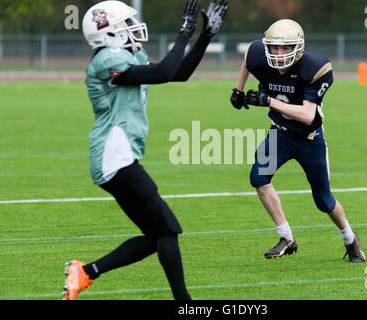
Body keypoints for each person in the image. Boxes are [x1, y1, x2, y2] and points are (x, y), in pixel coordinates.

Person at [63, 0, 228, 300]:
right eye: (125, 24)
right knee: (167, 230)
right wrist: (185, 31)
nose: (133, 28)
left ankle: (85, 273)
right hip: (114, 157)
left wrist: (205, 36)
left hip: (118, 159)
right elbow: (164, 72)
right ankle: (186, 304)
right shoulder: (106, 58)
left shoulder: (127, 53)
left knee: (157, 235)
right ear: (108, 32)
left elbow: (178, 73)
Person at [230, 19, 365, 262]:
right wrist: (238, 90)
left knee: (323, 200)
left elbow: (307, 115)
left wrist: (269, 101)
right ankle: (287, 237)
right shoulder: (257, 53)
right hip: (280, 133)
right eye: (274, 48)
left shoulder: (314, 68)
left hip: (309, 139)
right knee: (258, 177)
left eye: (285, 48)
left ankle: (349, 238)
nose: (279, 53)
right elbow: (247, 61)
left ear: (299, 48)